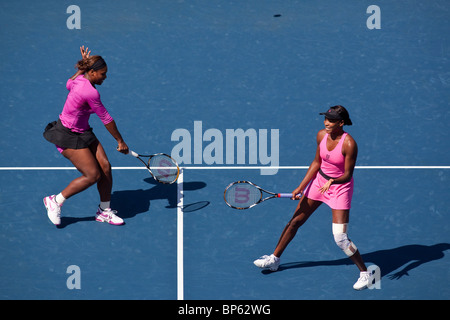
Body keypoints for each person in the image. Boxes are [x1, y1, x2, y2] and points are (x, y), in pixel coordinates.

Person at [253, 105, 373, 290]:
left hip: (340, 188)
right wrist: (300, 187)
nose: (326, 122)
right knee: (294, 222)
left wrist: (332, 181)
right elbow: (317, 162)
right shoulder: (321, 135)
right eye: (325, 118)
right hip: (318, 184)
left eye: (331, 120)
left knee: (340, 238)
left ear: (341, 123)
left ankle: (365, 273)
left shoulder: (349, 144)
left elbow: (348, 174)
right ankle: (274, 259)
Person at [43, 46, 129, 226]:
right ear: (92, 72)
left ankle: (104, 211)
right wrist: (120, 141)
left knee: (105, 166)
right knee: (92, 175)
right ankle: (55, 200)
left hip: (83, 131)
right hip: (67, 135)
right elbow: (106, 118)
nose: (105, 77)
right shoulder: (90, 92)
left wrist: (81, 69)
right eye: (102, 74)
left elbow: (69, 83)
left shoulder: (79, 79)